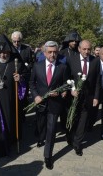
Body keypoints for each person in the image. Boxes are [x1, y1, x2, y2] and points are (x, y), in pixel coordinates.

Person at [0, 34, 27, 160]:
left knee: (10, 122)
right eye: (0, 53)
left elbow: (26, 75)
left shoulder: (16, 62)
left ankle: (10, 143)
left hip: (11, 99)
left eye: (6, 52)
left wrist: (20, 79)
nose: (3, 55)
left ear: (10, 51)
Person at [29, 41, 70, 170]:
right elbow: (32, 83)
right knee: (41, 126)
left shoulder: (62, 67)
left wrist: (61, 92)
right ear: (44, 53)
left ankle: (48, 156)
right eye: (50, 52)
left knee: (51, 131)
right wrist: (35, 96)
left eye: (55, 52)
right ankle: (41, 138)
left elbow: (66, 84)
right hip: (40, 103)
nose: (52, 55)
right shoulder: (37, 66)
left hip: (54, 104)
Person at [67, 40, 100, 156]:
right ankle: (70, 137)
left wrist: (96, 97)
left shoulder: (95, 61)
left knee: (83, 120)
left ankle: (78, 144)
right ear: (79, 49)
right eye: (84, 49)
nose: (86, 52)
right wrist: (71, 90)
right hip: (74, 97)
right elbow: (67, 77)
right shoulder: (71, 60)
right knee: (73, 118)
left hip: (88, 97)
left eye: (88, 49)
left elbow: (97, 81)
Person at [11, 31, 34, 121]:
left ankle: (22, 115)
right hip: (13, 77)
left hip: (24, 77)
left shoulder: (27, 49)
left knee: (23, 97)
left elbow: (32, 62)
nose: (16, 43)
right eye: (14, 41)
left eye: (18, 41)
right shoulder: (9, 48)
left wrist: (26, 67)